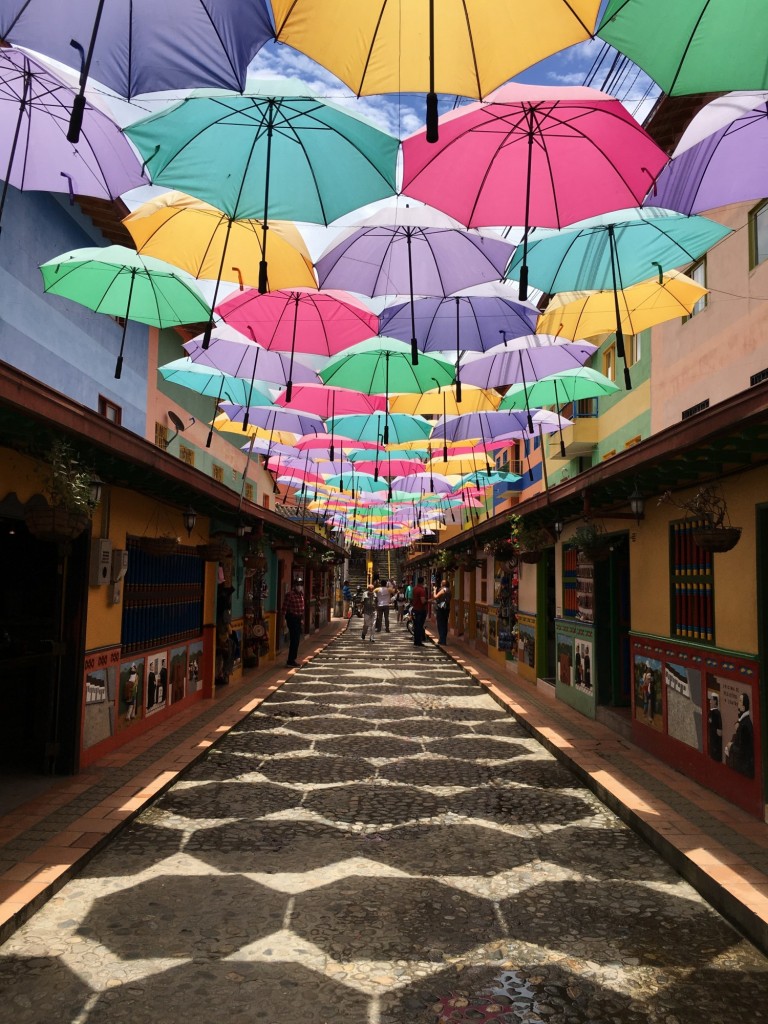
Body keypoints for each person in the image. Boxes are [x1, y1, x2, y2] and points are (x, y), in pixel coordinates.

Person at [726, 692, 754, 777]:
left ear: (743, 707)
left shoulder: (744, 725)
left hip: (743, 767)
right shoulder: (742, 722)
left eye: (740, 701)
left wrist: (731, 746)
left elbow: (743, 750)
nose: (738, 702)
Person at [281, 577, 305, 668]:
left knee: (297, 640)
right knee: (294, 639)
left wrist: (302, 619)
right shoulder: (289, 595)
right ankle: (290, 660)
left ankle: (293, 659)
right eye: (298, 585)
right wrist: (283, 621)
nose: (299, 586)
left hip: (298, 619)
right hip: (292, 618)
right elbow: (284, 609)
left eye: (301, 585)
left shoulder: (301, 595)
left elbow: (302, 609)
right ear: (294, 585)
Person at [433, 578, 451, 645]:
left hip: (441, 608)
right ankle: (443, 639)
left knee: (440, 624)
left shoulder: (443, 590)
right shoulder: (449, 590)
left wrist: (434, 590)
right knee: (445, 623)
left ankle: (442, 640)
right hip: (447, 608)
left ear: (442, 584)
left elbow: (435, 597)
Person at [411, 576, 428, 646]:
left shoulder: (414, 588)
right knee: (419, 626)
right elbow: (423, 601)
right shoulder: (422, 590)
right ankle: (419, 642)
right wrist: (429, 601)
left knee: (416, 626)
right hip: (420, 610)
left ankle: (416, 641)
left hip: (414, 609)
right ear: (423, 582)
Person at [708, 693, 723, 762]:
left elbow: (719, 731)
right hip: (712, 739)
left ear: (715, 701)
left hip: (715, 741)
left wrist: (716, 730)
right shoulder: (711, 712)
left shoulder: (716, 713)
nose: (710, 701)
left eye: (711, 700)